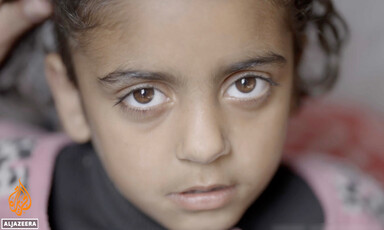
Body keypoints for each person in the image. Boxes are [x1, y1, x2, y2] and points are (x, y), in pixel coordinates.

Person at [0, 0, 383, 230]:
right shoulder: (11, 195)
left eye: (247, 84)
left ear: (295, 73)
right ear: (71, 97)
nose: (205, 147)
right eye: (144, 95)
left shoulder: (355, 213)